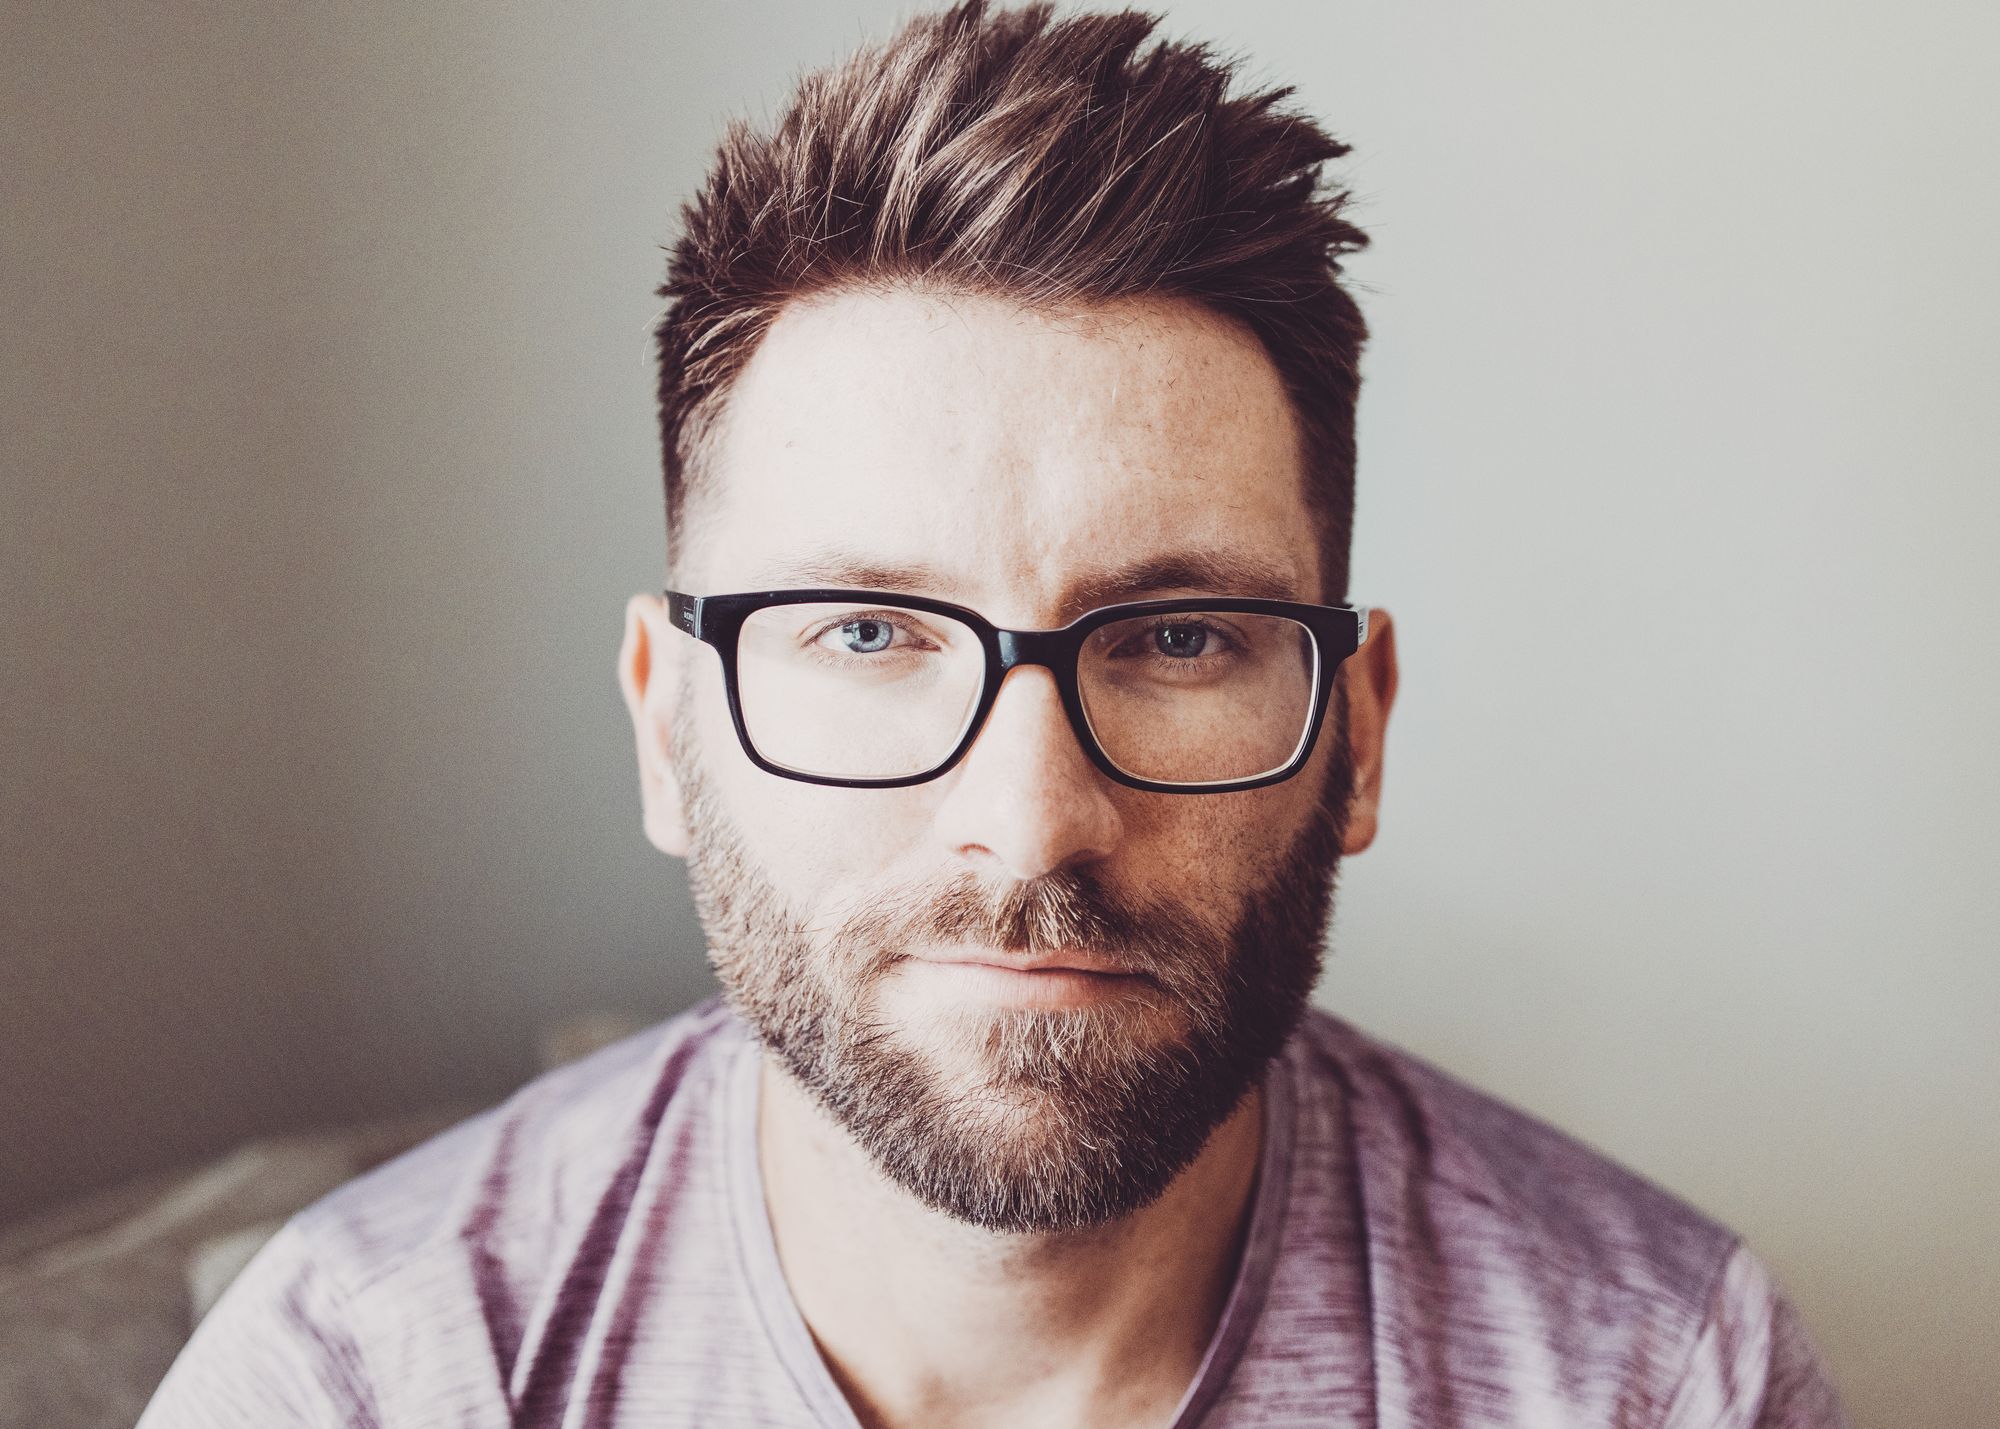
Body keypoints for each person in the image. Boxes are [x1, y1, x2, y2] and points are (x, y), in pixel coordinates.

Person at [140, 3, 1849, 1425]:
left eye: (1178, 636)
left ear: (1358, 731)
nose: (1031, 821)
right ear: (670, 727)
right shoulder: (358, 1377)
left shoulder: (1659, 1376)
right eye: (872, 630)